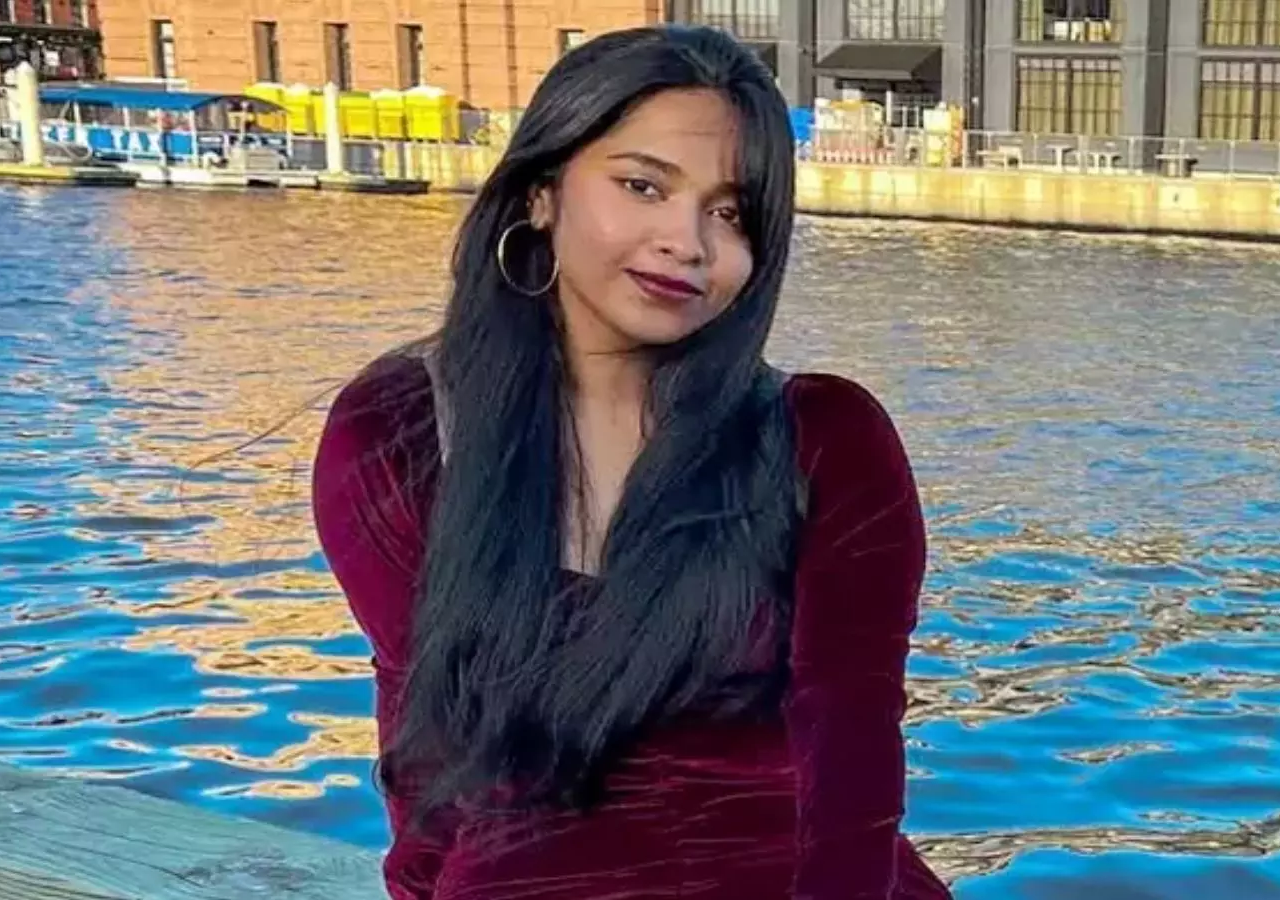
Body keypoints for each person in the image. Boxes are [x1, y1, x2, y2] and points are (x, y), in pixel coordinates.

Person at [311, 24, 952, 900]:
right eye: (643, 186)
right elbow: (422, 738)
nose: (687, 241)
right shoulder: (401, 431)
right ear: (542, 191)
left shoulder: (826, 439)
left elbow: (854, 748)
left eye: (730, 213)